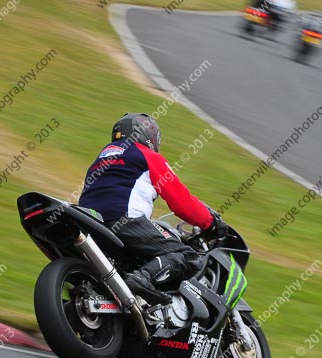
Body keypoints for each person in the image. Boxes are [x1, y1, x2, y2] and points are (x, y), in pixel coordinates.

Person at [78, 113, 227, 306]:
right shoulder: (148, 156)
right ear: (148, 135)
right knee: (188, 256)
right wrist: (210, 222)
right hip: (124, 220)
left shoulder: (101, 159)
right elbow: (181, 202)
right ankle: (143, 278)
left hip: (89, 220)